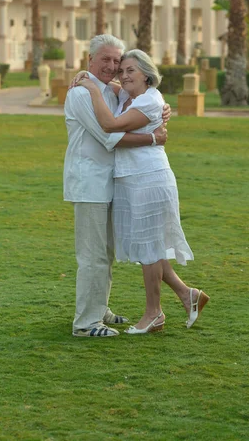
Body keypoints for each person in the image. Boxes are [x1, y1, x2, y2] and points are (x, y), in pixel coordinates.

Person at [77, 49, 209, 334]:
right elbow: (111, 84)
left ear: (148, 75)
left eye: (130, 71)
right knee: (148, 247)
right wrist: (91, 77)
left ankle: (154, 314)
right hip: (131, 179)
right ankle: (188, 294)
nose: (123, 75)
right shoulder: (130, 95)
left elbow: (109, 125)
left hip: (148, 178)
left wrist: (90, 87)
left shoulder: (149, 101)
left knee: (149, 248)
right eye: (121, 70)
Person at [63, 35, 170, 338]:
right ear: (90, 60)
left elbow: (142, 101)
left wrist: (161, 108)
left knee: (105, 253)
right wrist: (154, 138)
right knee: (92, 255)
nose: (112, 67)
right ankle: (86, 323)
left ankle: (99, 308)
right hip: (89, 184)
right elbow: (110, 136)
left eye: (117, 61)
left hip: (109, 182)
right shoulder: (82, 94)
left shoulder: (110, 91)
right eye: (105, 60)